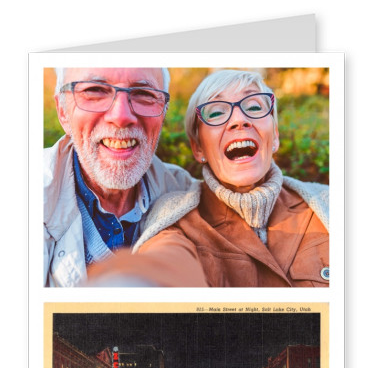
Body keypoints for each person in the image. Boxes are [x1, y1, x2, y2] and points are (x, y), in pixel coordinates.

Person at [87, 69, 329, 287]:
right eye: (216, 112)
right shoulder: (177, 220)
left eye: (254, 107)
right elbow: (165, 262)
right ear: (198, 148)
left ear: (274, 135)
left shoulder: (328, 204)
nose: (239, 120)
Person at [44, 67, 198, 287]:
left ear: (163, 112)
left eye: (144, 94)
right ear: (62, 111)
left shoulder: (187, 195)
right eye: (95, 90)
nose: (121, 116)